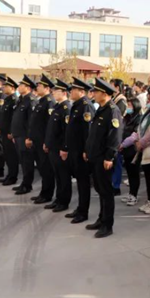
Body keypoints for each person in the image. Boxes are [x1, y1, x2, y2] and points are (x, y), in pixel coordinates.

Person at [84, 78, 123, 239]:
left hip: (104, 158)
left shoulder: (112, 110)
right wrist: (88, 150)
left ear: (104, 94)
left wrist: (109, 157)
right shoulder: (101, 109)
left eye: (96, 92)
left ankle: (108, 225)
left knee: (106, 192)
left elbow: (115, 136)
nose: (93, 94)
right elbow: (94, 135)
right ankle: (101, 219)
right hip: (95, 156)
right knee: (100, 190)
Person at [64, 77, 95, 224]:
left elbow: (87, 132)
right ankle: (80, 208)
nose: (70, 92)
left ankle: (83, 212)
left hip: (81, 151)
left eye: (73, 89)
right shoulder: (76, 105)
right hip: (74, 150)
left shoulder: (86, 106)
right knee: (79, 182)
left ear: (81, 91)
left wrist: (85, 151)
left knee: (83, 183)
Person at [28, 75, 56, 204]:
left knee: (46, 169)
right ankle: (43, 193)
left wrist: (47, 142)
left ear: (47, 88)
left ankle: (47, 194)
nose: (37, 88)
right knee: (42, 168)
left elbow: (49, 125)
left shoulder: (49, 102)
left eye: (39, 86)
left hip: (43, 142)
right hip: (37, 141)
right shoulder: (41, 101)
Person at [45, 79, 71, 212]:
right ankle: (58, 199)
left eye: (56, 91)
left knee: (64, 176)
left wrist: (64, 148)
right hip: (53, 147)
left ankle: (64, 201)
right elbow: (51, 129)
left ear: (64, 93)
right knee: (58, 176)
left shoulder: (66, 108)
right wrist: (47, 143)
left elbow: (67, 131)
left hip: (60, 149)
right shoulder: (57, 107)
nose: (53, 93)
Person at [11, 75, 36, 195]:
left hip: (24, 137)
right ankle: (24, 183)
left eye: (21, 85)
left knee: (27, 162)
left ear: (28, 88)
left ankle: (27, 185)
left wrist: (29, 137)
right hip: (18, 135)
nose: (19, 87)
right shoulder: (21, 99)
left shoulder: (30, 101)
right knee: (22, 161)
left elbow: (31, 122)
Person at [119, 97, 144, 207]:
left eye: (130, 105)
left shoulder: (139, 118)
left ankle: (134, 195)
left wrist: (123, 144)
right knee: (129, 173)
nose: (128, 107)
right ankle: (131, 194)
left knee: (134, 173)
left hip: (133, 149)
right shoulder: (127, 117)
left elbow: (135, 135)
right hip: (125, 150)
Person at [0, 77, 19, 186]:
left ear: (12, 88)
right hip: (4, 132)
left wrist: (11, 132)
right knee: (7, 155)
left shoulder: (14, 100)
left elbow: (13, 119)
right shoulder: (7, 99)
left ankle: (12, 177)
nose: (4, 88)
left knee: (12, 156)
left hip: (9, 133)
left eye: (6, 86)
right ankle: (9, 175)